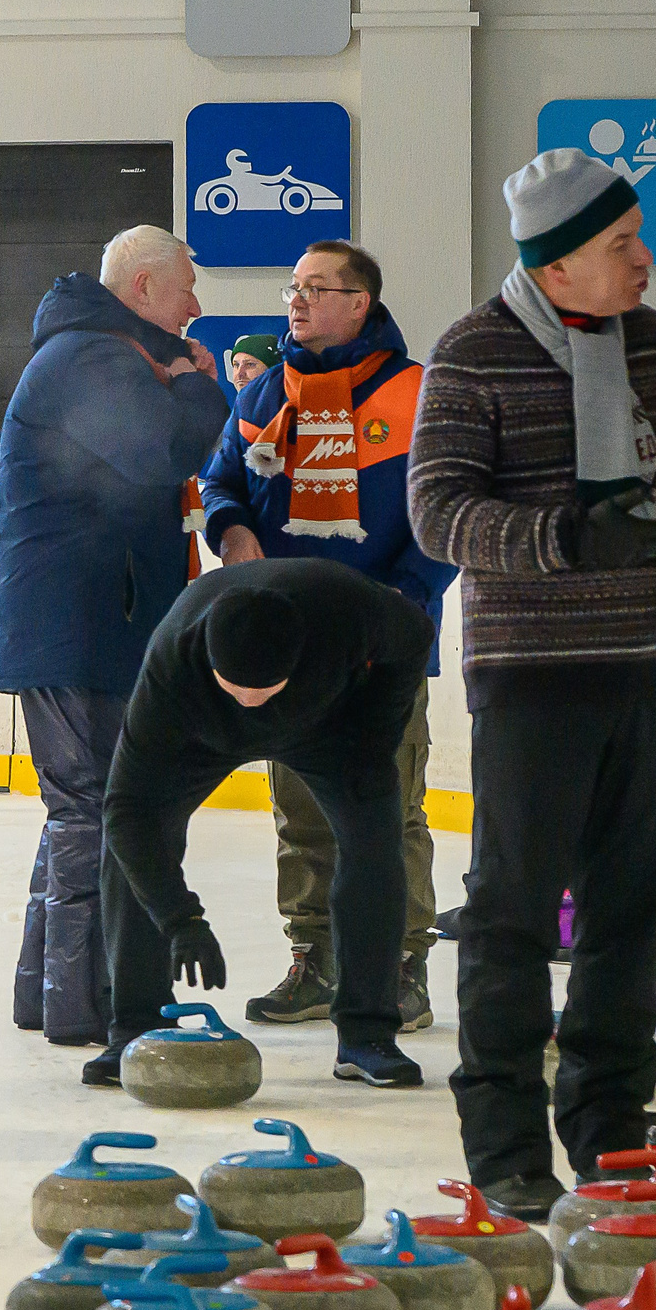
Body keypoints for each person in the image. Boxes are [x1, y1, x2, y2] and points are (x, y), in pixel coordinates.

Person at [409, 149, 656, 1219]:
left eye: (637, 236)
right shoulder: (471, 353)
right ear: (553, 270)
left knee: (629, 917)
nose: (644, 261)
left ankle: (609, 1139)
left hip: (642, 661)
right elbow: (436, 512)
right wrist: (560, 538)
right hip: (531, 673)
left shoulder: (647, 338)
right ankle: (504, 1148)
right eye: (620, 246)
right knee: (508, 917)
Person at [200, 241, 457, 1035]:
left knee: (393, 809)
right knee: (301, 807)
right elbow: (220, 479)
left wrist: (400, 604)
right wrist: (231, 526)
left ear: (361, 302)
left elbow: (445, 510)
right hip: (290, 646)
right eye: (293, 288)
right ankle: (315, 956)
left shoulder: (418, 393)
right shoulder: (268, 392)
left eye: (316, 289)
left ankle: (401, 965)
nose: (296, 302)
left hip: (384, 644)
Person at [0, 226, 230, 1051]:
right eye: (187, 286)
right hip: (78, 632)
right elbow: (162, 448)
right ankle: (82, 1003)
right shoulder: (91, 357)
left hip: (85, 626)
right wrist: (202, 388)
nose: (197, 306)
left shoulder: (95, 352)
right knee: (95, 810)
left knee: (78, 809)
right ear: (142, 290)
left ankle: (46, 991)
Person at [91, 558, 433, 1090]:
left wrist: (374, 737)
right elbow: (125, 810)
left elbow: (415, 635)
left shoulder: (350, 611)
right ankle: (135, 1028)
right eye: (236, 690)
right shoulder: (173, 658)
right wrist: (181, 920)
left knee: (375, 845)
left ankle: (368, 1034)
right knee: (132, 846)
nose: (251, 705)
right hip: (200, 737)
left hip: (329, 728)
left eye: (265, 691)